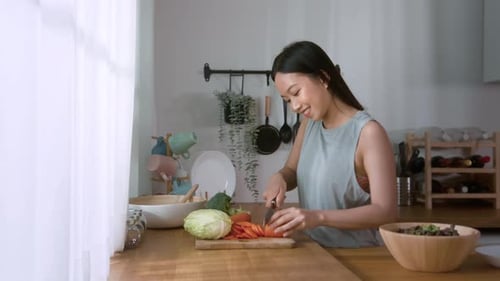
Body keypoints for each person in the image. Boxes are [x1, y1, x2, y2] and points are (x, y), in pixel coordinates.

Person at [263, 41, 397, 248]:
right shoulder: (309, 124)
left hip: (358, 258)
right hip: (315, 253)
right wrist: (279, 178)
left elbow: (386, 211)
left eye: (296, 92)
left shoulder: (368, 133)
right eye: (287, 100)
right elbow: (292, 169)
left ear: (323, 78)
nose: (295, 106)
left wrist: (319, 217)